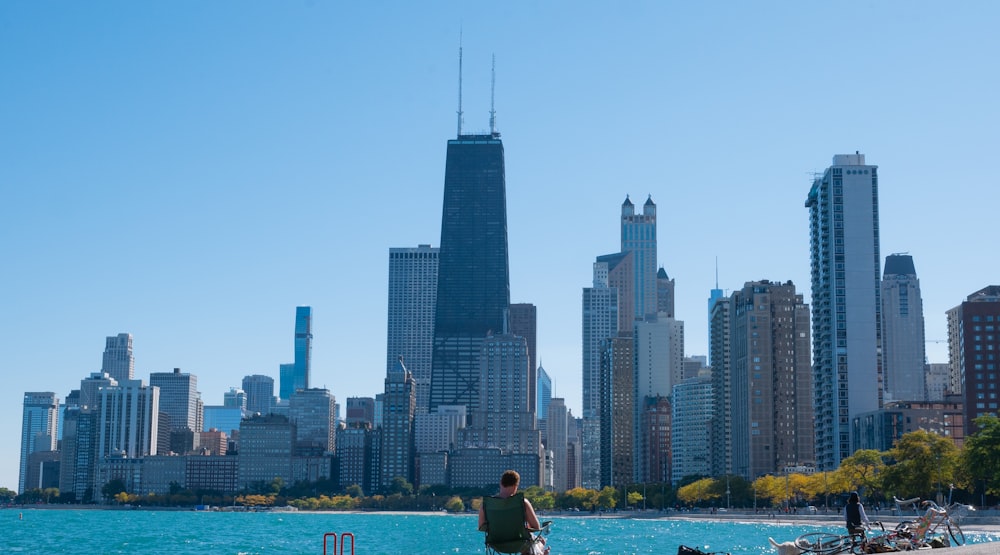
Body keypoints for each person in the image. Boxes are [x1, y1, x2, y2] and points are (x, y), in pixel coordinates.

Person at [478, 469, 549, 555]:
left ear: (500, 483)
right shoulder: (522, 502)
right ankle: (541, 551)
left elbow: (481, 527)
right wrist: (524, 527)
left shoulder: (486, 504)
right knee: (537, 542)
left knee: (530, 544)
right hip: (520, 542)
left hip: (496, 543)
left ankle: (540, 551)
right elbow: (536, 527)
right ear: (516, 485)